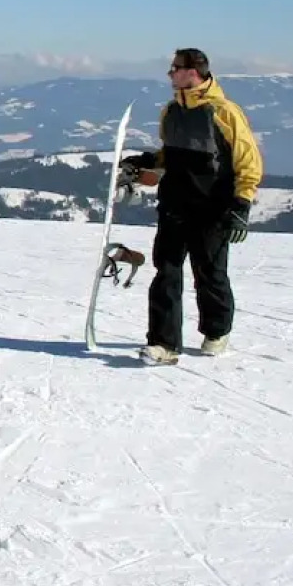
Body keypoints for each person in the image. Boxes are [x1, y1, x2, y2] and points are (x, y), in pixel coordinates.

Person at [120, 48, 263, 365]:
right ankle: (164, 344)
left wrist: (241, 206)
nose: (170, 74)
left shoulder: (224, 112)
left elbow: (248, 160)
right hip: (174, 204)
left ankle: (216, 330)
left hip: (212, 207)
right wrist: (144, 162)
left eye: (175, 69)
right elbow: (169, 155)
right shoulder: (171, 111)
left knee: (209, 273)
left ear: (193, 72)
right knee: (166, 272)